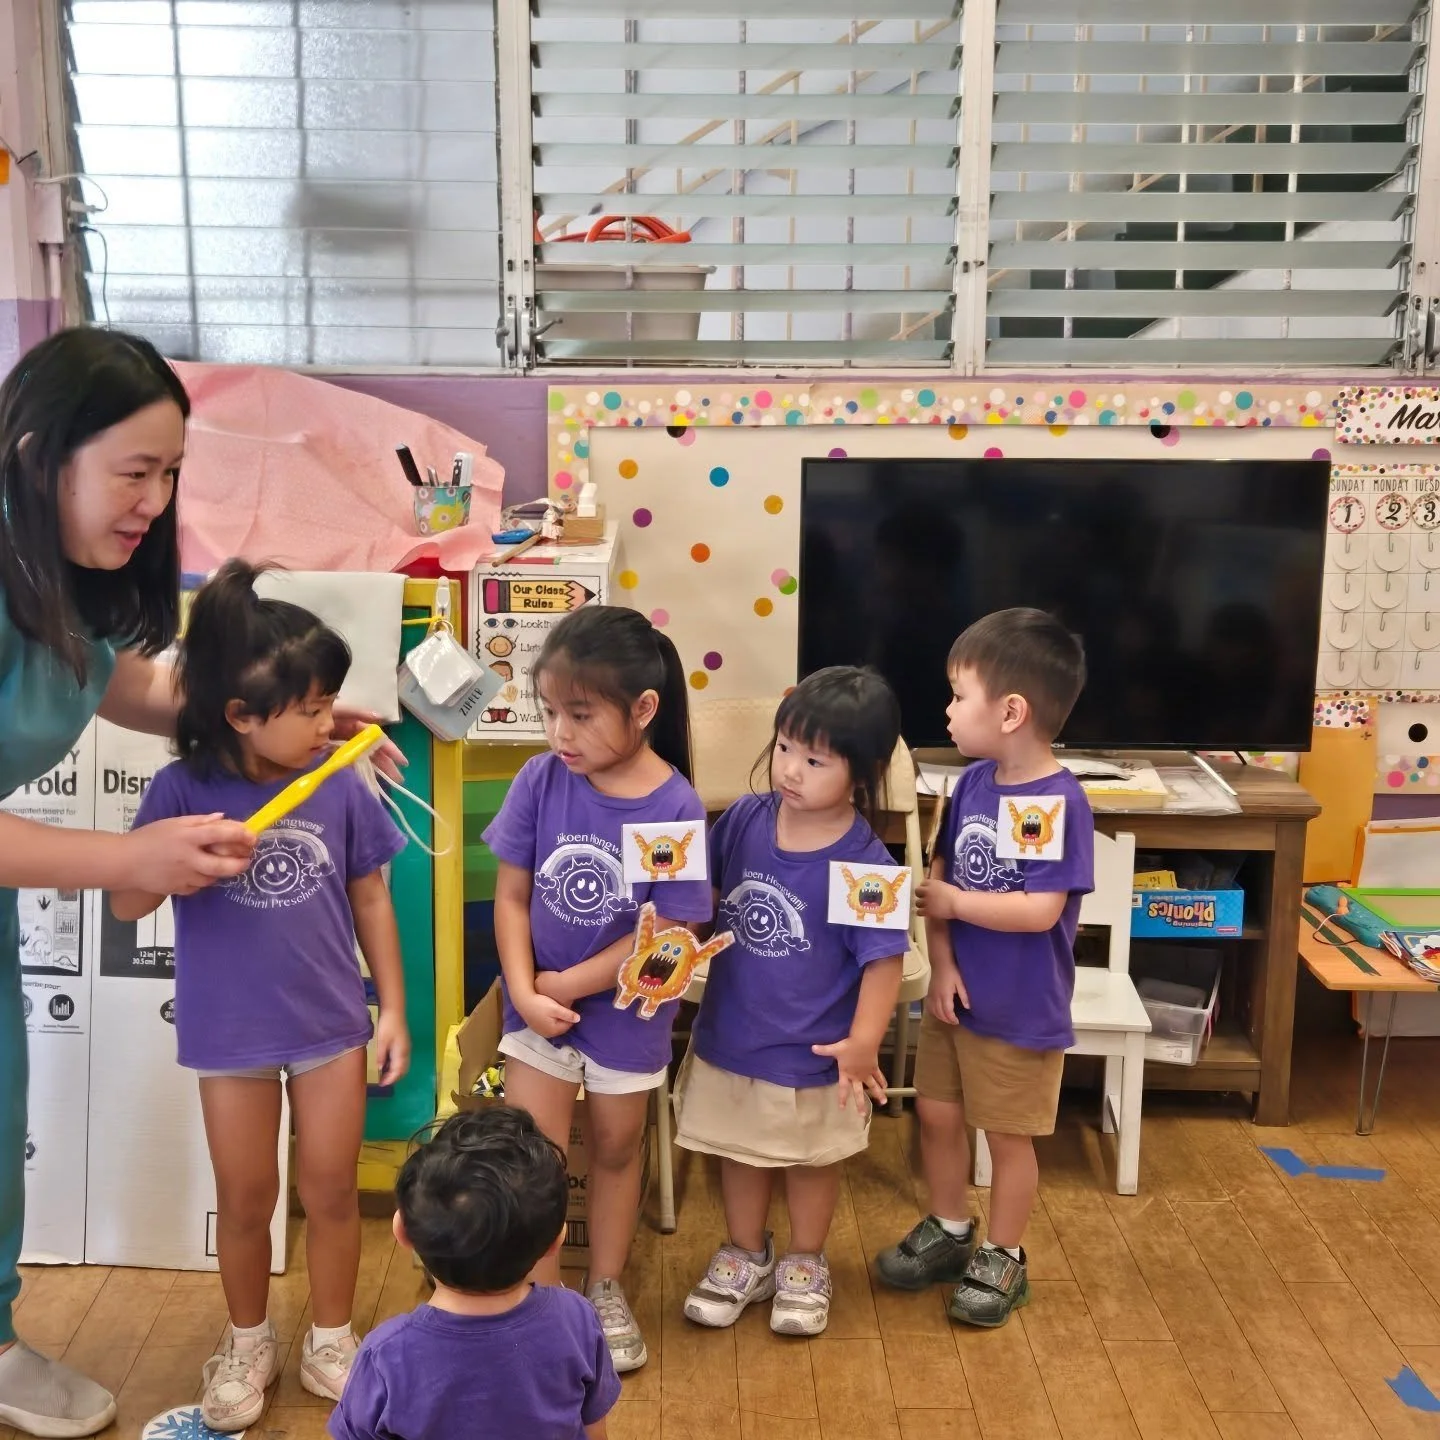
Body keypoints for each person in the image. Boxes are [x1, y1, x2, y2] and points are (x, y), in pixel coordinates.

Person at [0, 327, 265, 1437]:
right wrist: (129, 858)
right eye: (134, 472)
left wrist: (268, 719)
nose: (155, 503)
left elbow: (119, 682)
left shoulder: (56, 587)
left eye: (171, 475)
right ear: (37, 455)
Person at [111, 560, 410, 1431]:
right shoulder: (180, 789)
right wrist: (177, 860)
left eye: (329, 704)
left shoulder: (340, 782)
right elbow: (128, 904)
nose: (330, 724)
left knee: (332, 1189)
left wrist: (392, 1008)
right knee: (244, 1199)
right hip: (229, 1032)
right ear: (241, 714)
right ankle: (247, 1341)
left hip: (329, 1025)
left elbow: (370, 897)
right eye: (312, 709)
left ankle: (332, 1338)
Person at [483, 605, 712, 1373]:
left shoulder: (672, 805)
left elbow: (667, 929)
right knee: (536, 1160)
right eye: (551, 711)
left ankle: (604, 1286)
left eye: (580, 715)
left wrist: (567, 984)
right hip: (537, 1010)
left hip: (626, 1013)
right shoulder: (541, 779)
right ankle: (544, 1301)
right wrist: (525, 990)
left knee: (616, 1148)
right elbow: (511, 896)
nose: (560, 733)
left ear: (643, 709)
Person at [874, 608, 1092, 1328]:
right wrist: (940, 966)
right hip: (956, 999)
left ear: (1011, 711)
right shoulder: (970, 784)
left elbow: (1038, 910)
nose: (947, 709)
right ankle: (949, 1226)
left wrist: (956, 904)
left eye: (958, 694)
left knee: (1007, 1135)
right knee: (937, 1115)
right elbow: (939, 872)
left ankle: (1004, 1253)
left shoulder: (1055, 802)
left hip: (1020, 1009)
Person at [674, 668, 904, 1338]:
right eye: (783, 748)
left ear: (863, 773)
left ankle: (805, 1260)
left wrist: (864, 1042)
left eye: (815, 760)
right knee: (739, 1153)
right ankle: (746, 1253)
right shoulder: (745, 819)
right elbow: (701, 895)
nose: (790, 770)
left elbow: (884, 961)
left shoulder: (867, 862)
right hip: (733, 1035)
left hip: (815, 1051)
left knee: (810, 1161)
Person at [328, 1106, 620, 1440]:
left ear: (402, 1231)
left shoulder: (386, 1354)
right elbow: (594, 1432)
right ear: (556, 1240)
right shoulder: (577, 1320)